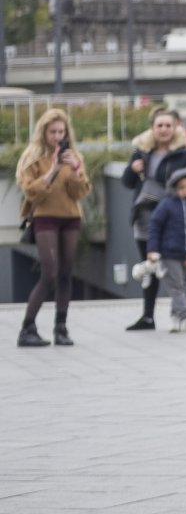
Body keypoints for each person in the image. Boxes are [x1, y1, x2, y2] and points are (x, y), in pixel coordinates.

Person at [15, 109, 91, 348]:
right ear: (43, 132)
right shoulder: (33, 157)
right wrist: (53, 169)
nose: (58, 136)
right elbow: (31, 191)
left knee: (66, 273)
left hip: (70, 217)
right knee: (50, 273)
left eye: (62, 131)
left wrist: (76, 169)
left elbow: (80, 192)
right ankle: (28, 327)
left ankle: (61, 327)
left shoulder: (74, 156)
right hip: (44, 216)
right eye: (53, 132)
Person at [123, 109, 186, 332]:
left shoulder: (184, 153)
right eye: (160, 125)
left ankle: (179, 314)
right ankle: (148, 316)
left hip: (172, 218)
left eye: (168, 125)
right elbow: (127, 183)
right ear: (152, 128)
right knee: (150, 265)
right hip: (145, 216)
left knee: (175, 268)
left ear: (175, 127)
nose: (164, 130)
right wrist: (132, 169)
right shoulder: (142, 151)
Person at [146, 169, 186, 333]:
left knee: (183, 287)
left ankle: (175, 318)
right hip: (169, 254)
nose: (185, 191)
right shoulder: (166, 205)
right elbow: (154, 226)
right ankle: (185, 317)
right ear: (173, 187)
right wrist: (152, 249)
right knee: (177, 287)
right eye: (181, 187)